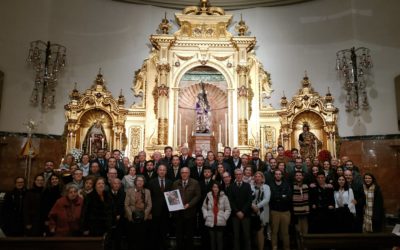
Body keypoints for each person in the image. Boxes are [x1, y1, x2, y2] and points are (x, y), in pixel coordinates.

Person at [172, 167, 201, 250]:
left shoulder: (195, 183)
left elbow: (198, 196)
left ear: (189, 173)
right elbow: (172, 196)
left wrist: (189, 204)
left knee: (189, 233)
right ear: (180, 174)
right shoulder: (175, 183)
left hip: (190, 213)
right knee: (179, 234)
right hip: (178, 213)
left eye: (186, 172)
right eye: (182, 172)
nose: (184, 174)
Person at [148, 164, 172, 250]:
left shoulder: (170, 182)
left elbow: (172, 197)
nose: (162, 171)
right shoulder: (151, 182)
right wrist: (149, 212)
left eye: (164, 170)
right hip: (154, 211)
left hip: (166, 211)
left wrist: (171, 211)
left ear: (166, 172)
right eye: (160, 170)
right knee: (154, 231)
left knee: (164, 230)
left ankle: (164, 246)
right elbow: (149, 198)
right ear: (157, 171)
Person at [125, 175, 152, 250]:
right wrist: (130, 217)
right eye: (138, 180)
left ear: (144, 182)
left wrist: (144, 216)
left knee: (142, 238)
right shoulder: (129, 191)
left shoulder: (147, 191)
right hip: (132, 218)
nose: (140, 182)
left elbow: (149, 205)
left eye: (142, 181)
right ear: (135, 182)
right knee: (132, 238)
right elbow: (126, 205)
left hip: (143, 218)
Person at [228, 168, 252, 250]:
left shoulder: (247, 185)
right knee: (236, 236)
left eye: (240, 174)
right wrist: (237, 212)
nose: (238, 176)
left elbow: (249, 200)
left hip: (246, 215)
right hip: (235, 215)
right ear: (234, 176)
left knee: (246, 235)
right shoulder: (231, 187)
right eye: (236, 174)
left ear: (242, 175)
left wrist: (243, 211)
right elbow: (230, 201)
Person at [202, 183, 231, 250]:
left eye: (217, 187)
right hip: (210, 220)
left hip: (220, 221)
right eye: (214, 187)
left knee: (219, 240)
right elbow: (203, 207)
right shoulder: (208, 196)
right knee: (212, 240)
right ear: (212, 188)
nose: (215, 189)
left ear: (219, 188)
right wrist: (206, 215)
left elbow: (228, 209)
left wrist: (225, 217)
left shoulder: (224, 197)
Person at [269, 169, 292, 250]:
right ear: (274, 175)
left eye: (279, 174)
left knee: (285, 232)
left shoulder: (286, 184)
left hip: (285, 211)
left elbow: (289, 197)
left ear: (282, 175)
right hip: (274, 211)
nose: (278, 175)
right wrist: (282, 196)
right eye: (276, 174)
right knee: (274, 232)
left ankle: (287, 248)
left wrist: (279, 197)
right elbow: (271, 198)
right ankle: (274, 247)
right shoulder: (270, 185)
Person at [252, 171, 271, 250]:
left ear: (262, 178)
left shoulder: (266, 187)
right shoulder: (251, 186)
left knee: (261, 231)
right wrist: (253, 206)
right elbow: (248, 198)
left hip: (263, 211)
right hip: (253, 211)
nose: (257, 178)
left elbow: (267, 199)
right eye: (256, 176)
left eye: (259, 176)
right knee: (254, 232)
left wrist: (257, 206)